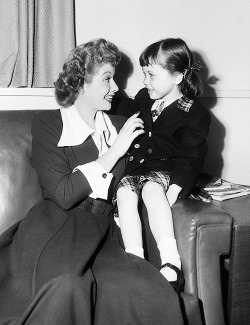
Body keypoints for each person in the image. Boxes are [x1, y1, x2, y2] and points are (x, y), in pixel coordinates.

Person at [0, 38, 184, 325]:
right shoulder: (49, 124)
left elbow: (167, 152)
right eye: (107, 79)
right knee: (65, 289)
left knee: (150, 295)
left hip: (105, 233)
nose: (116, 88)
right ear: (80, 84)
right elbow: (62, 194)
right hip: (57, 226)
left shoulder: (123, 125)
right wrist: (115, 152)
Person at [115, 38, 211, 293]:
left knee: (151, 191)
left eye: (151, 75)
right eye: (144, 74)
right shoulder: (146, 97)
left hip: (166, 171)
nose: (145, 81)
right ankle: (134, 260)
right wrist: (107, 97)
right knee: (124, 194)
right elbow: (127, 106)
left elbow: (192, 155)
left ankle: (170, 261)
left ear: (178, 76)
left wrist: (177, 186)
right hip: (137, 169)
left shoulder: (194, 112)